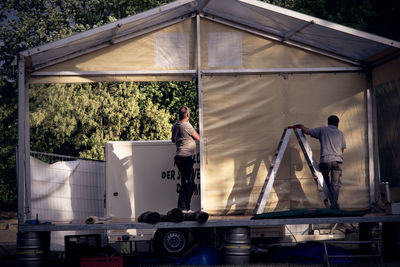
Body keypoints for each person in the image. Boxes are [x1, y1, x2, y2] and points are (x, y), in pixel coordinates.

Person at [299, 115, 346, 209]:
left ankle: (329, 194)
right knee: (335, 184)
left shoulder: (323, 130)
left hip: (326, 161)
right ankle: (334, 203)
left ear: (328, 122)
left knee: (324, 179)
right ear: (337, 124)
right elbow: (342, 149)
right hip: (337, 161)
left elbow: (307, 131)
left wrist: (301, 126)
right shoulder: (340, 133)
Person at [171, 106, 200, 212]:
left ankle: (184, 207)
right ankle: (183, 208)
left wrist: (190, 134)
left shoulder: (175, 125)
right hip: (186, 157)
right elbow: (198, 138)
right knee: (189, 184)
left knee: (187, 183)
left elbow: (174, 140)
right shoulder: (187, 125)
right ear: (187, 115)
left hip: (179, 157)